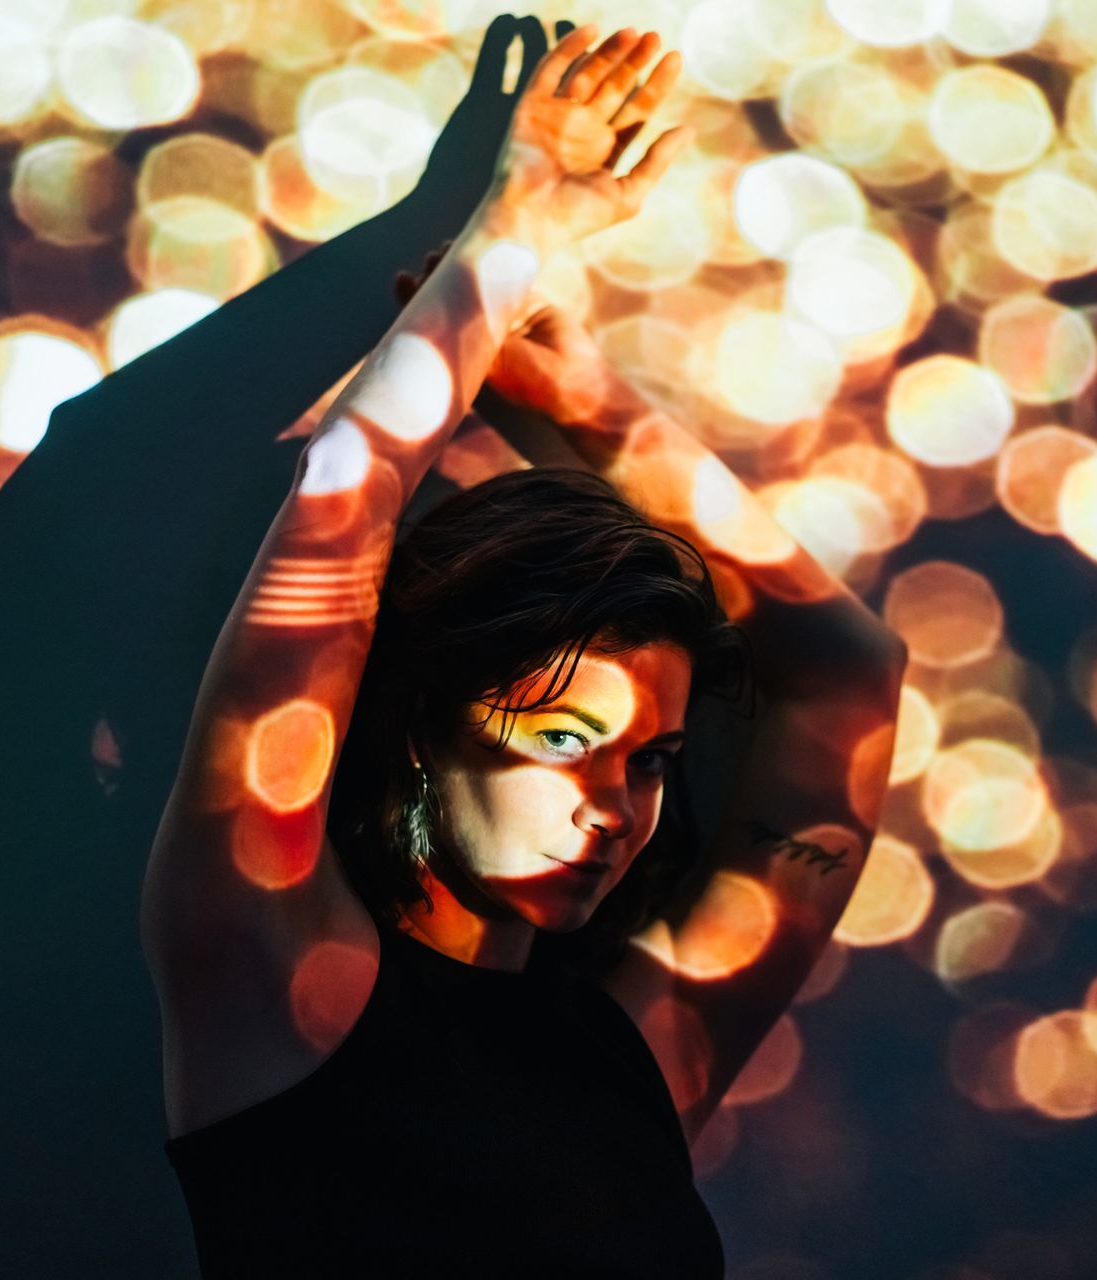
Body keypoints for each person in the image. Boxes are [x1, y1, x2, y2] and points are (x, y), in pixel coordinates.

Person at [143, 21, 909, 1275]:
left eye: (652, 757)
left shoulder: (637, 1049)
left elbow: (850, 675)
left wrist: (599, 407)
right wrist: (519, 226)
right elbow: (344, 493)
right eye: (563, 738)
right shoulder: (275, 969)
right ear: (422, 724)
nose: (616, 807)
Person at [0, 17, 569, 1275]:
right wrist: (476, 273)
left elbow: (92, 473)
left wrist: (443, 240)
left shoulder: (2, 902)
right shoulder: (449, 977)